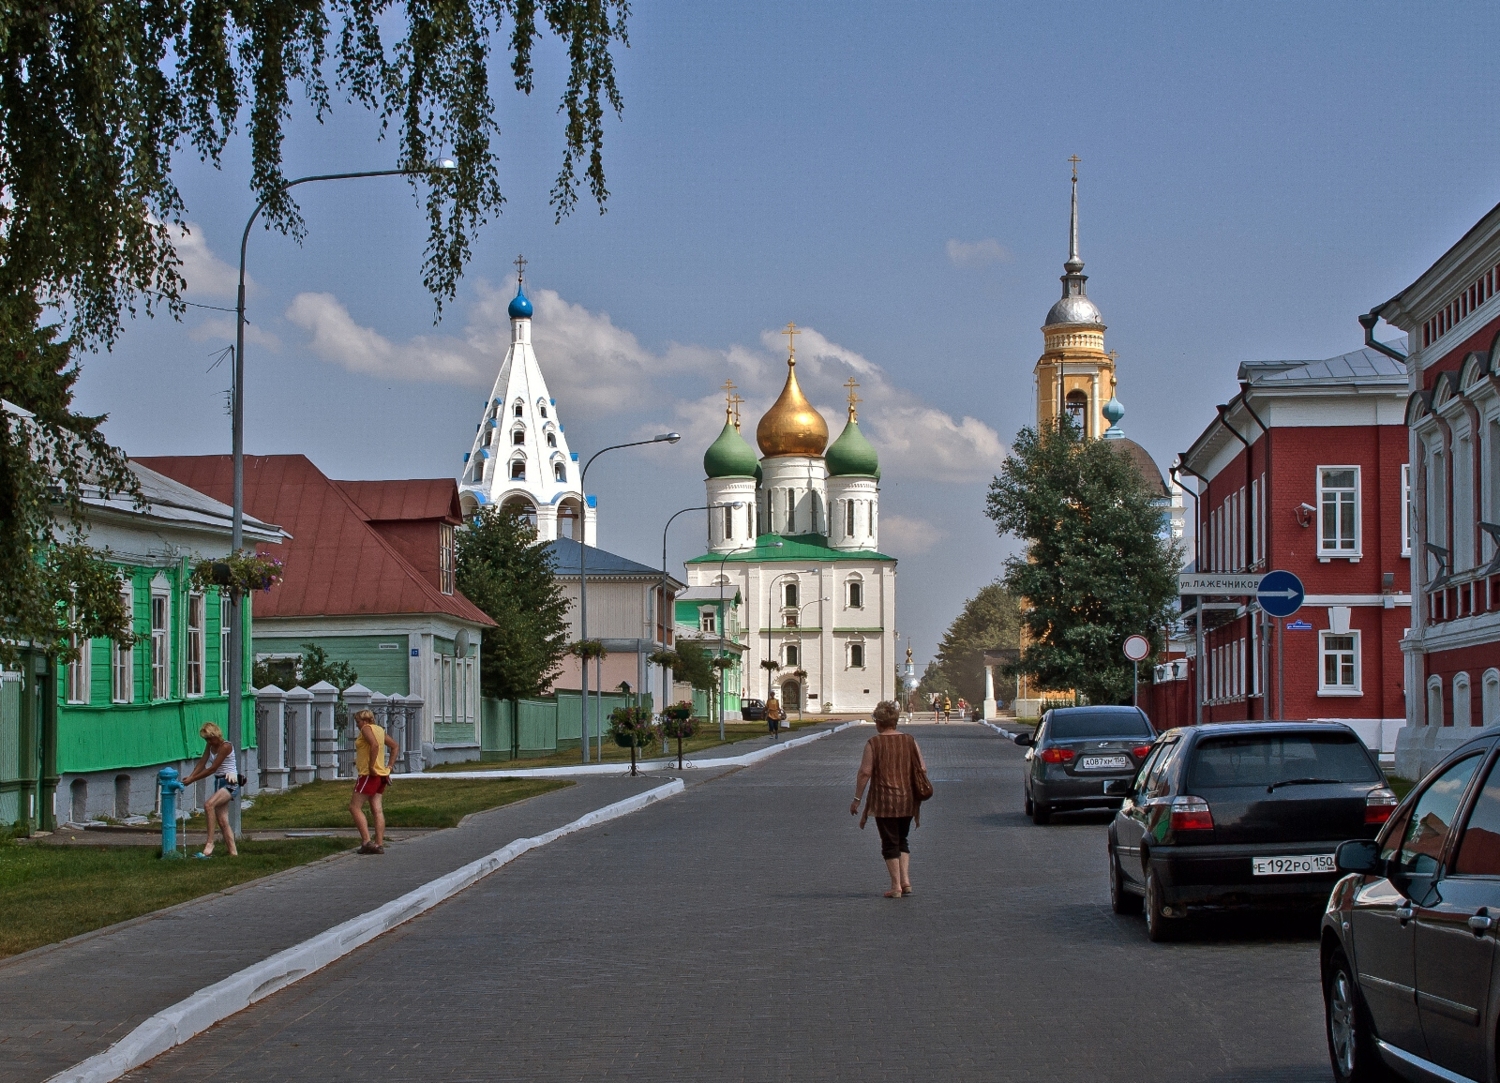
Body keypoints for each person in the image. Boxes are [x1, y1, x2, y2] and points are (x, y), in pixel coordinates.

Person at [851, 700, 929, 897]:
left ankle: (896, 887)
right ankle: (906, 881)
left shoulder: (874, 743)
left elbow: (865, 772)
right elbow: (922, 767)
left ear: (879, 722)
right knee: (902, 839)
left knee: (889, 842)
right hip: (908, 800)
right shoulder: (910, 740)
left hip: (884, 802)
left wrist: (857, 799)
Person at [182, 722, 239, 858]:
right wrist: (190, 776)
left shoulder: (226, 746)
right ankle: (233, 853)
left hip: (230, 782)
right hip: (219, 782)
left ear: (216, 735)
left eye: (209, 738)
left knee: (208, 805)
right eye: (206, 739)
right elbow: (203, 762)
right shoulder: (210, 745)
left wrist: (193, 780)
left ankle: (210, 842)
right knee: (223, 820)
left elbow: (212, 768)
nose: (208, 741)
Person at [350, 708, 399, 854]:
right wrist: (388, 766)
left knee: (354, 807)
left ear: (365, 720)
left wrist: (371, 766)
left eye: (357, 721)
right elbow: (395, 746)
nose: (357, 725)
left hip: (368, 774)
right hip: (381, 774)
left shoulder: (366, 728)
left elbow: (374, 745)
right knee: (377, 809)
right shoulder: (378, 730)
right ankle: (379, 844)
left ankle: (366, 841)